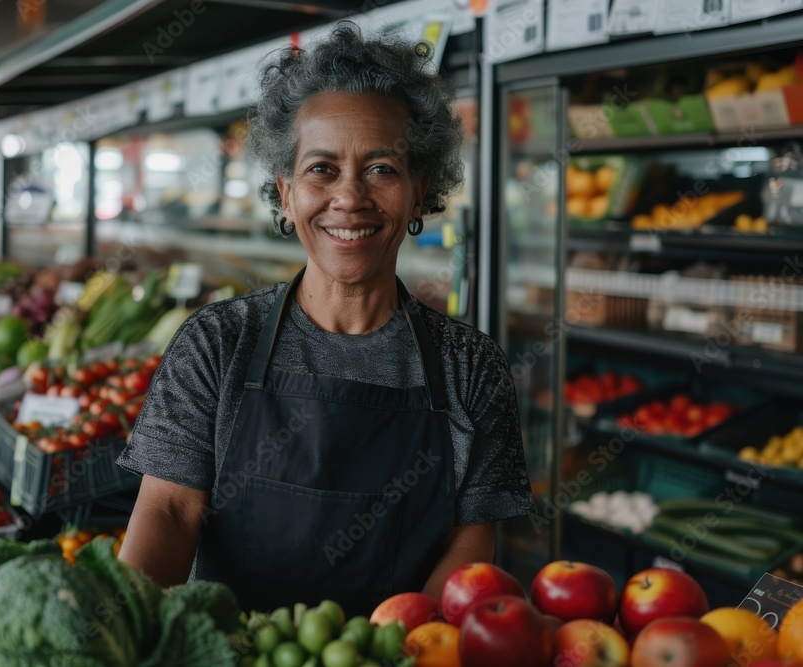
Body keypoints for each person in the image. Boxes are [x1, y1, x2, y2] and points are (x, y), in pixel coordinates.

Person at [117, 22, 535, 615]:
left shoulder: (471, 366)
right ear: (285, 194)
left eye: (382, 169)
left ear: (421, 192)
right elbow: (168, 511)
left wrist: (402, 645)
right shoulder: (215, 344)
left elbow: (469, 544)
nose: (350, 197)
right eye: (321, 169)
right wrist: (129, 634)